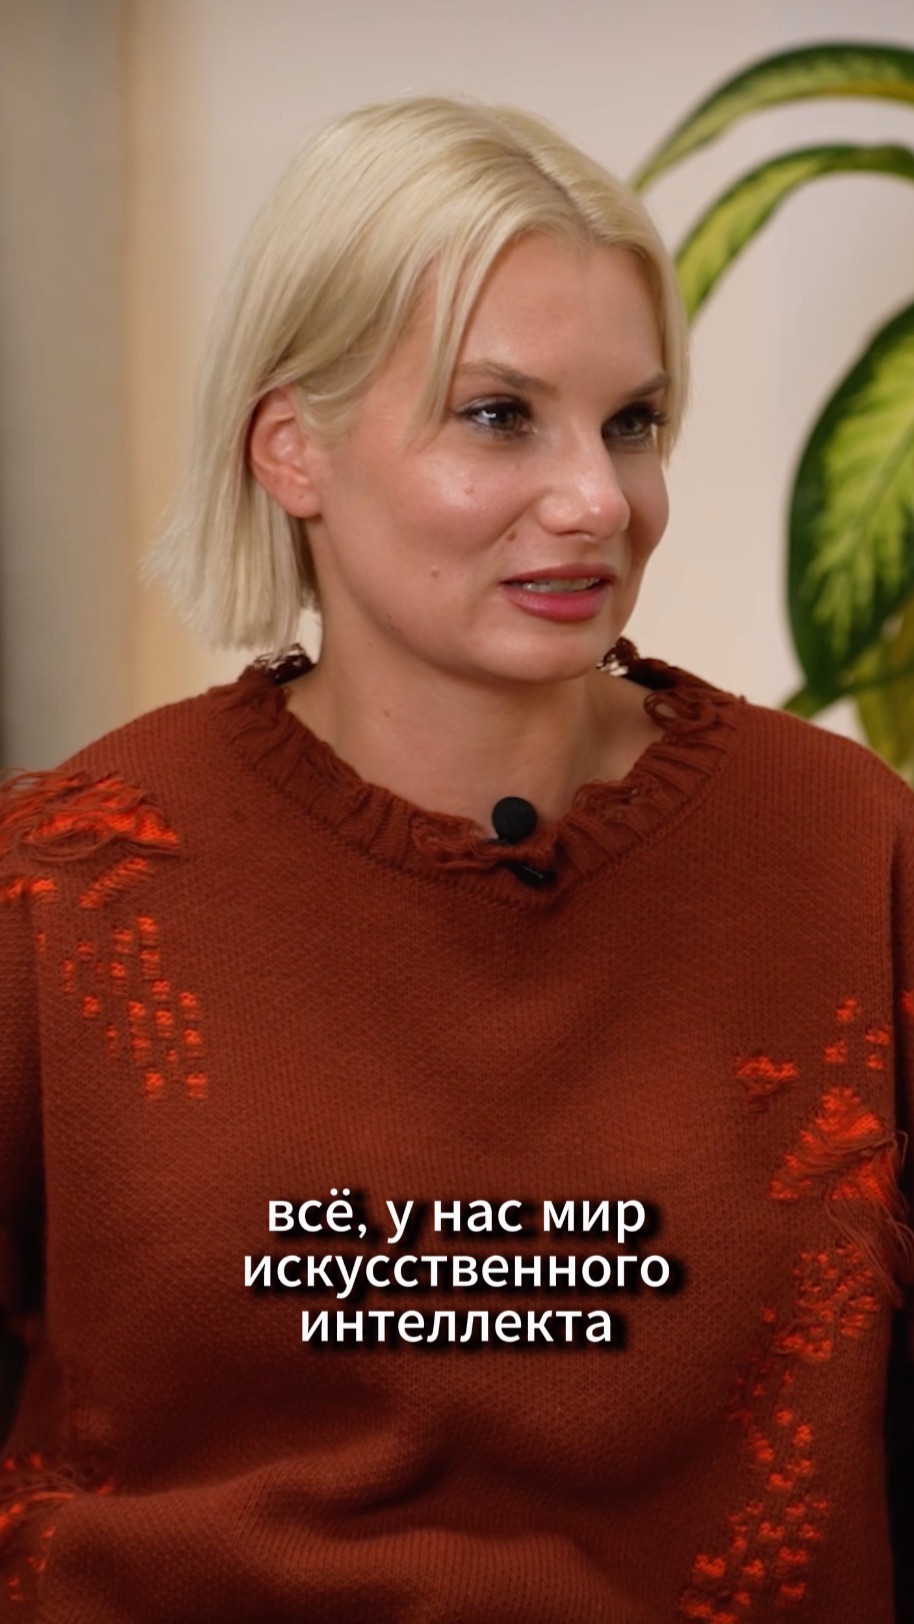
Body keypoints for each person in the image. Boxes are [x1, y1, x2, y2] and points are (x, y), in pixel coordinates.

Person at [0, 95, 910, 1624]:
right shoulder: (73, 878)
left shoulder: (841, 844)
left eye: (631, 423)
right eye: (499, 416)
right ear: (291, 448)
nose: (597, 500)